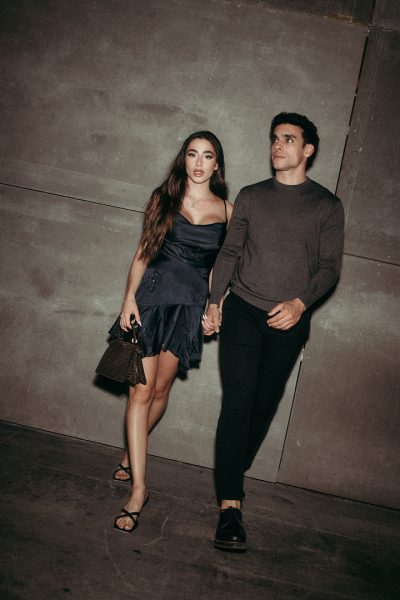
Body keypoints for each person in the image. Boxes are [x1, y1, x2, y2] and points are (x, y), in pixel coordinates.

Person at [203, 112, 345, 551]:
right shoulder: (251, 196)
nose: (278, 145)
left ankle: (231, 467)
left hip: (289, 322)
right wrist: (214, 300)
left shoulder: (326, 206)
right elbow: (230, 252)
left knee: (263, 405)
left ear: (308, 150)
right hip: (243, 312)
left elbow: (329, 268)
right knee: (238, 401)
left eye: (288, 139)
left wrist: (300, 304)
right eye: (274, 138)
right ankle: (230, 506)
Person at [111, 131, 233, 533]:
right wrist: (129, 299)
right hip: (151, 300)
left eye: (207, 156)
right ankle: (139, 491)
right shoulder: (163, 198)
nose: (199, 162)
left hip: (188, 308)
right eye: (192, 154)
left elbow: (220, 269)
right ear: (184, 159)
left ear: (217, 164)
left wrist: (214, 306)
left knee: (161, 390)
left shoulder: (228, 211)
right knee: (140, 392)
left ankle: (131, 453)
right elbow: (143, 251)